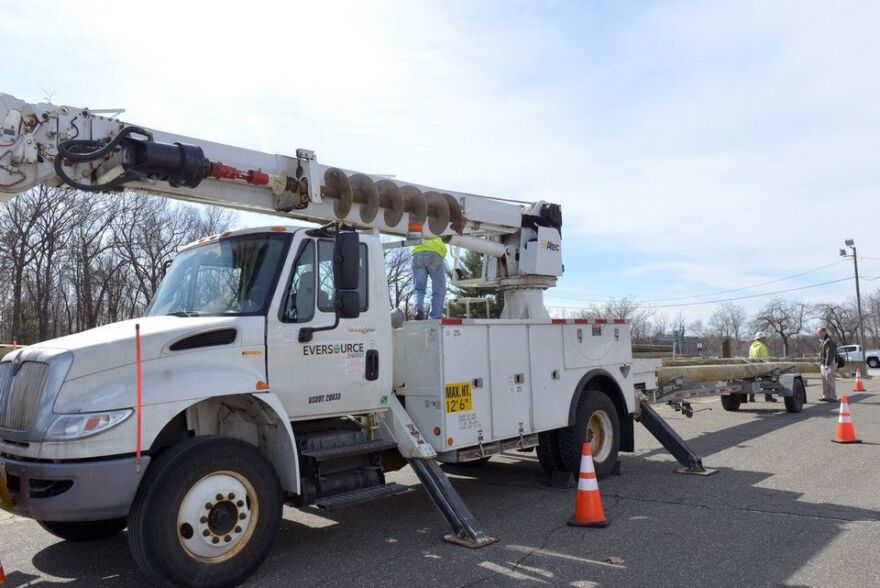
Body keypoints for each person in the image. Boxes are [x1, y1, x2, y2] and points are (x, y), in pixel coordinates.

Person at [411, 237, 447, 320]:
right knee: (439, 288)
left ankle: (418, 310)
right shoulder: (436, 225)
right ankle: (435, 316)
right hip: (434, 252)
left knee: (418, 288)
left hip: (417, 253)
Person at [748, 331, 776, 402]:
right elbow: (765, 360)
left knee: (753, 381)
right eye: (764, 338)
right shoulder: (762, 347)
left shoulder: (751, 346)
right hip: (761, 368)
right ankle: (768, 397)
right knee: (767, 380)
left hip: (753, 368)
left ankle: (751, 397)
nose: (765, 340)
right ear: (761, 339)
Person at [817, 327, 838, 402]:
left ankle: (833, 397)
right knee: (824, 380)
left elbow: (830, 354)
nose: (818, 334)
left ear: (824, 332)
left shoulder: (829, 341)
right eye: (817, 332)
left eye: (819, 332)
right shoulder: (823, 341)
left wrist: (827, 365)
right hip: (823, 363)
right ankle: (826, 396)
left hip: (828, 364)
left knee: (829, 379)